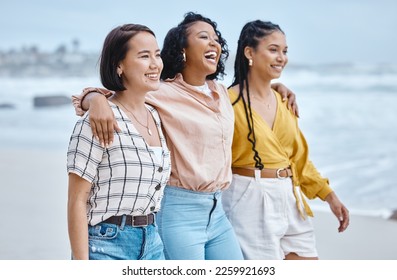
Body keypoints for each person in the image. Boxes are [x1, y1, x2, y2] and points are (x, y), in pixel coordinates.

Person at [71, 12, 297, 260]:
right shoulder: (162, 92)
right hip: (179, 209)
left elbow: (250, 93)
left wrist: (275, 87)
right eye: (204, 37)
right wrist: (94, 99)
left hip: (217, 210)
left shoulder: (221, 92)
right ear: (183, 50)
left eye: (215, 38)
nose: (214, 43)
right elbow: (119, 95)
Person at [221, 20, 350, 260]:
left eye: (285, 51)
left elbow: (297, 158)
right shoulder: (226, 101)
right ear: (249, 52)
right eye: (273, 50)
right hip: (248, 198)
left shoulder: (284, 101)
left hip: (289, 195)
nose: (281, 57)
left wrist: (329, 195)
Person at [67, 23, 171, 260]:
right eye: (144, 56)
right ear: (119, 65)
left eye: (157, 54)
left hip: (152, 242)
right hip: (107, 244)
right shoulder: (98, 120)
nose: (155, 64)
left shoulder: (154, 116)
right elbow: (77, 200)